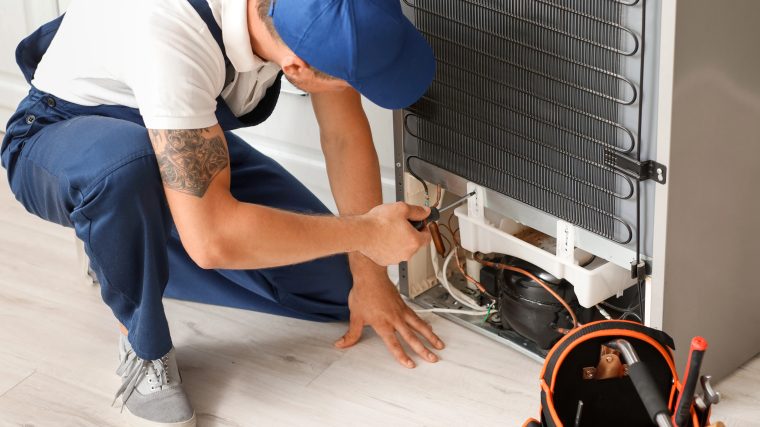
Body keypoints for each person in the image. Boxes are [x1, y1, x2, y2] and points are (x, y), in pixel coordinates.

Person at [0, 0, 444, 425]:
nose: (354, 91)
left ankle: (123, 243)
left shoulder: (303, 16)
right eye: (351, 84)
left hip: (174, 132)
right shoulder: (169, 34)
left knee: (337, 287)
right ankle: (142, 344)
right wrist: (366, 233)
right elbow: (212, 241)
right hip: (64, 136)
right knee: (128, 170)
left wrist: (370, 275)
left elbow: (344, 136)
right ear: (296, 70)